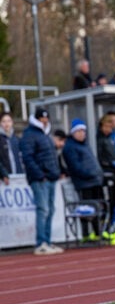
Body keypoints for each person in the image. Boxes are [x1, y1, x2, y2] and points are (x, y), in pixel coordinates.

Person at [20, 108, 64, 254]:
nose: (45, 122)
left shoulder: (46, 135)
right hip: (40, 179)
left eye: (46, 119)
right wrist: (39, 175)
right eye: (42, 119)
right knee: (43, 209)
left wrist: (56, 173)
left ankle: (47, 241)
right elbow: (27, 157)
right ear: (37, 119)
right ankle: (41, 243)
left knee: (50, 210)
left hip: (50, 177)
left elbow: (51, 157)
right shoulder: (30, 134)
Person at [62, 119, 105, 239]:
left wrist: (98, 174)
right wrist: (91, 174)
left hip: (95, 182)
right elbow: (75, 167)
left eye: (83, 131)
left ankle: (98, 232)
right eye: (79, 131)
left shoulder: (85, 145)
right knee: (86, 209)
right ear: (73, 132)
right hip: (84, 183)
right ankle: (85, 234)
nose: (82, 133)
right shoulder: (70, 147)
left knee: (97, 207)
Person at [0, 111, 24, 184]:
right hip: (4, 180)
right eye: (3, 121)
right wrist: (3, 174)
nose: (6, 124)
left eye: (9, 121)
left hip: (19, 178)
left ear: (12, 122)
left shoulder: (17, 139)